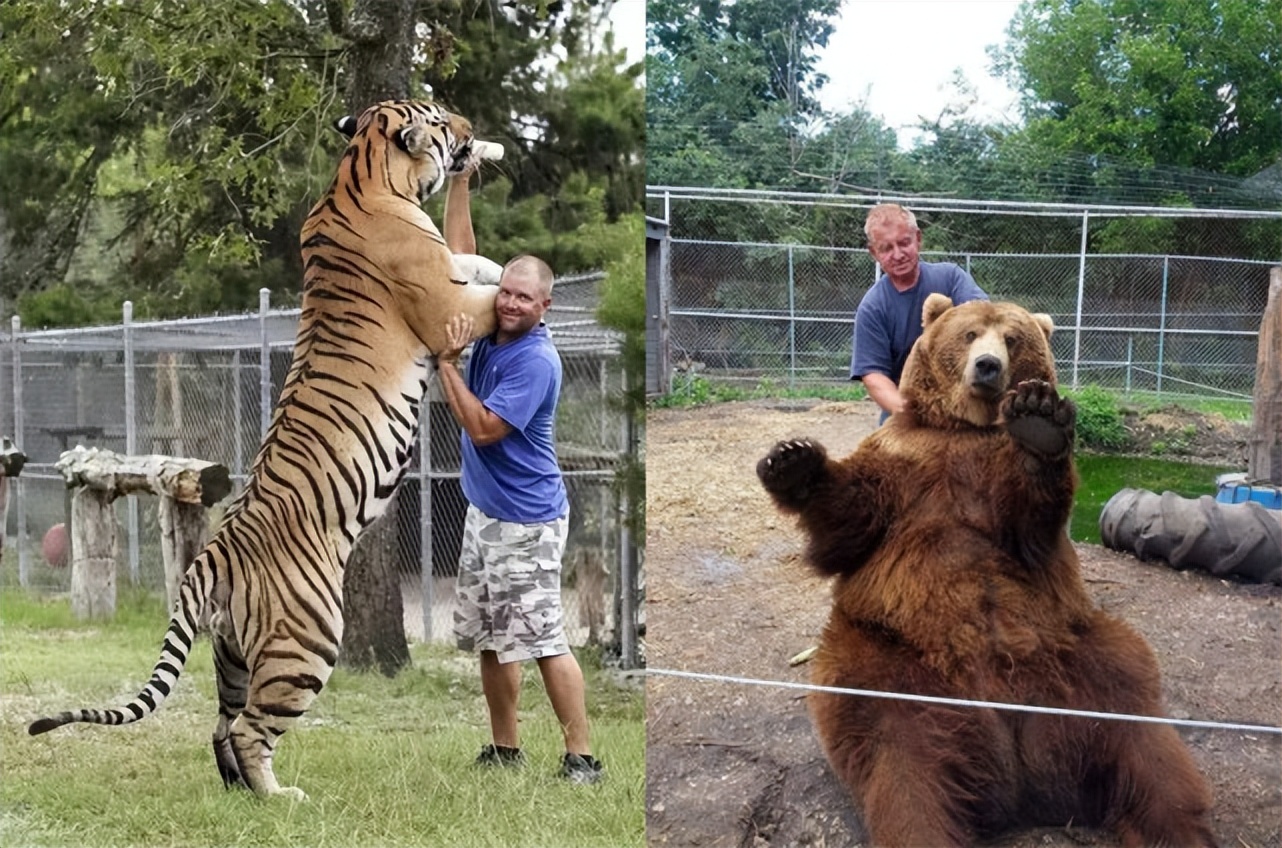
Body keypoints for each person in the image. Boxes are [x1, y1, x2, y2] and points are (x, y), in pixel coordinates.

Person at [434, 168, 603, 785]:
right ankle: (504, 747)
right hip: (485, 516)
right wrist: (460, 182)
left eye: (523, 298)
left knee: (541, 640)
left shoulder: (535, 359)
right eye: (505, 291)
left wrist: (448, 365)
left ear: (544, 306)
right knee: (488, 636)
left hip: (527, 522)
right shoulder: (493, 323)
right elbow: (459, 259)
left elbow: (482, 429)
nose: (509, 303)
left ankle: (581, 757)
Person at [851, 203, 989, 421]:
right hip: (907, 410)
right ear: (874, 253)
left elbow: (984, 318)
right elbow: (873, 375)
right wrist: (913, 414)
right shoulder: (873, 307)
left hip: (964, 404)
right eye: (887, 248)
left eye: (904, 243)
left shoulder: (951, 279)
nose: (898, 254)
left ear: (918, 238)